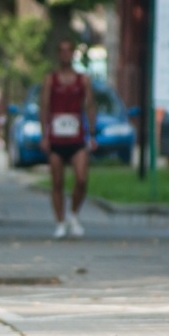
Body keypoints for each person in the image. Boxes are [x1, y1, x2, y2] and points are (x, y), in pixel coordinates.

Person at [39, 40, 97, 239]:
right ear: (58, 54)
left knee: (81, 179)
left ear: (73, 54)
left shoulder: (83, 79)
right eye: (61, 51)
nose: (65, 54)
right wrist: (44, 134)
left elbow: (90, 105)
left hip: (77, 137)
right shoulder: (50, 79)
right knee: (57, 181)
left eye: (68, 51)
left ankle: (73, 213)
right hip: (56, 138)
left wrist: (93, 133)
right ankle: (60, 221)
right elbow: (44, 106)